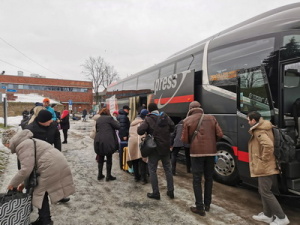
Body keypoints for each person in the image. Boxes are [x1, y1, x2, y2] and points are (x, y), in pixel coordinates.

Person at [3, 129, 75, 225]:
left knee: (39, 192)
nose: (7, 148)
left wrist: (12, 184)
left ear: (8, 142)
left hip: (50, 165)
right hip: (54, 163)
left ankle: (45, 221)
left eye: (5, 145)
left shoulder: (22, 145)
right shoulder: (24, 142)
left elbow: (26, 169)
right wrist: (24, 184)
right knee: (40, 191)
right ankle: (45, 219)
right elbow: (31, 168)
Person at [181, 101, 223, 216]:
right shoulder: (211, 118)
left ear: (190, 109)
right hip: (211, 153)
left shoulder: (187, 120)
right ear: (200, 108)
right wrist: (212, 142)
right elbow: (220, 134)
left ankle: (199, 207)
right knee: (209, 178)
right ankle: (207, 204)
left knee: (197, 179)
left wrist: (193, 142)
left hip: (196, 154)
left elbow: (184, 139)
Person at [247, 111, 290, 225]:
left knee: (265, 191)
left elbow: (268, 145)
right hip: (269, 165)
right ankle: (267, 215)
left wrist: (263, 159)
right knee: (263, 190)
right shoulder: (266, 126)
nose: (248, 122)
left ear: (253, 120)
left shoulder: (259, 131)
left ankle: (282, 217)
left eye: (248, 120)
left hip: (265, 166)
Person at [137, 103, 175, 200]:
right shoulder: (165, 117)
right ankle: (171, 191)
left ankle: (156, 193)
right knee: (168, 169)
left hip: (154, 148)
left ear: (149, 110)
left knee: (152, 170)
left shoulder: (148, 118)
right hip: (165, 147)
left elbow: (140, 131)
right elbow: (172, 127)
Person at [94, 108, 120, 181]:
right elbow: (118, 127)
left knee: (101, 157)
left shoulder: (98, 119)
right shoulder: (110, 118)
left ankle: (100, 175)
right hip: (108, 140)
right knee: (109, 158)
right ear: (108, 112)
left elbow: (97, 129)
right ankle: (108, 176)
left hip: (98, 140)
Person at [127, 109, 149, 184]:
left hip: (132, 143)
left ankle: (136, 177)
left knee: (134, 160)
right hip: (140, 142)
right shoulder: (143, 123)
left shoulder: (132, 123)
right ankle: (143, 179)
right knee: (142, 160)